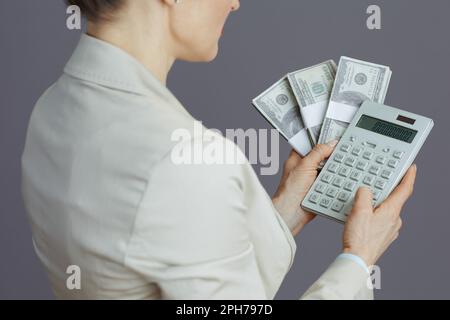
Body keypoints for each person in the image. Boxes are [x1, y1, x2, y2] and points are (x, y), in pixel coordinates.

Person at [21, 0, 417, 299]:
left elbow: (193, 272)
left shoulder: (50, 109)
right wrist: (358, 260)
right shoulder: (185, 160)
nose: (234, 3)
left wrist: (285, 213)